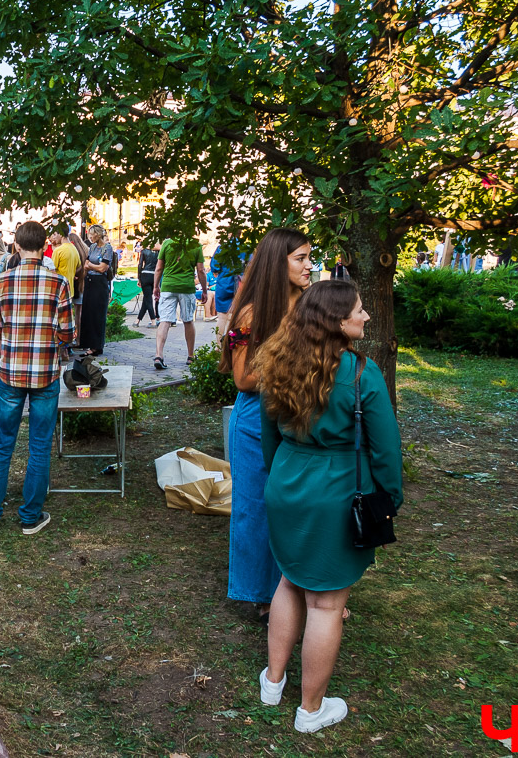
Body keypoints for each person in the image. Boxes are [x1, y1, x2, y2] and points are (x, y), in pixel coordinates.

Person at [254, 280, 402, 733]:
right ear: (338, 321)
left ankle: (272, 684)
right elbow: (386, 450)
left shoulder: (277, 361)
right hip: (337, 490)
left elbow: (269, 437)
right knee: (326, 604)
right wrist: (390, 499)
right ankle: (310, 710)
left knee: (288, 581)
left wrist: (280, 477)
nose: (367, 316)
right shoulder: (360, 372)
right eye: (360, 310)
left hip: (287, 482)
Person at [217, 228, 312, 625]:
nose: (310, 265)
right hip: (256, 421)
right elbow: (243, 380)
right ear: (279, 263)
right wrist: (297, 364)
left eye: (310, 257)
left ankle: (307, 588)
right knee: (256, 509)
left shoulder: (312, 305)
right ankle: (264, 595)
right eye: (301, 259)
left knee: (301, 508)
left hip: (301, 421)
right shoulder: (253, 313)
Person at [0, 221, 74, 535]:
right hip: (46, 373)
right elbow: (68, 332)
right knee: (39, 445)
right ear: (44, 245)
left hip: (10, 372)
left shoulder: (1, 281)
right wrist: (50, 344)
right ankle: (30, 516)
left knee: (2, 443)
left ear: (16, 247)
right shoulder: (58, 282)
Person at [152, 233, 208, 369]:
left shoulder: (167, 243)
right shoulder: (196, 245)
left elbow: (159, 268)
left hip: (168, 286)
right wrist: (204, 290)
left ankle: (159, 355)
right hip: (187, 287)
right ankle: (190, 356)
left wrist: (156, 286)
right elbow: (200, 270)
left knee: (165, 320)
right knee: (188, 320)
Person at [80, 224, 114, 356]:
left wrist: (91, 266)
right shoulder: (92, 247)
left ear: (98, 234)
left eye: (92, 234)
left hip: (100, 284)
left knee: (97, 314)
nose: (90, 237)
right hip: (90, 282)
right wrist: (92, 266)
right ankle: (89, 343)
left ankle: (96, 345)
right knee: (88, 313)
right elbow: (86, 264)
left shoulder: (107, 248)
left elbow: (102, 268)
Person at [212, 242, 244, 341]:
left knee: (221, 317)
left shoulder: (221, 248)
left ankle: (218, 346)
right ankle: (234, 344)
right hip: (241, 284)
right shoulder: (245, 248)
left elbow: (214, 267)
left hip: (224, 283)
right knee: (238, 316)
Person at [66, 230, 90, 342]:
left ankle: (77, 339)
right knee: (82, 313)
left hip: (75, 285)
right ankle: (83, 338)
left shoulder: (73, 252)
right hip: (86, 285)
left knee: (75, 314)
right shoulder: (86, 250)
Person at [137, 242, 160, 327]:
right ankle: (137, 320)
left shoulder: (144, 251)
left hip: (145, 274)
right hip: (154, 274)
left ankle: (153, 320)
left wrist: (139, 278)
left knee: (148, 299)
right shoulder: (158, 252)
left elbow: (140, 265)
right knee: (146, 299)